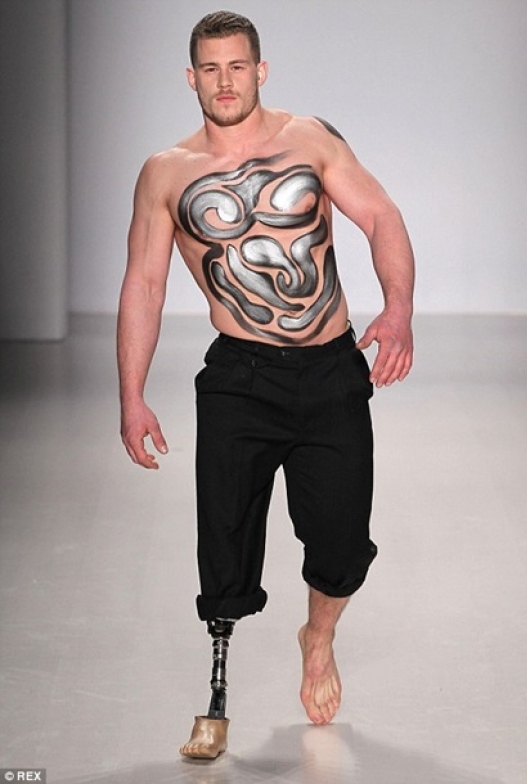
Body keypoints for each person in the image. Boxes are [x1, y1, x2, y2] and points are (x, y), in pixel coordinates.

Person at [117, 10, 415, 759]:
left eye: (237, 66)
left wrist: (399, 309)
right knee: (223, 539)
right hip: (239, 377)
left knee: (342, 546)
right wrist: (131, 395)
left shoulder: (309, 139)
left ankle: (318, 635)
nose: (225, 82)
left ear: (260, 70)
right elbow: (145, 283)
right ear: (191, 78)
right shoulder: (166, 173)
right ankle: (217, 687)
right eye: (210, 69)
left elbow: (380, 215)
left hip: (330, 368)